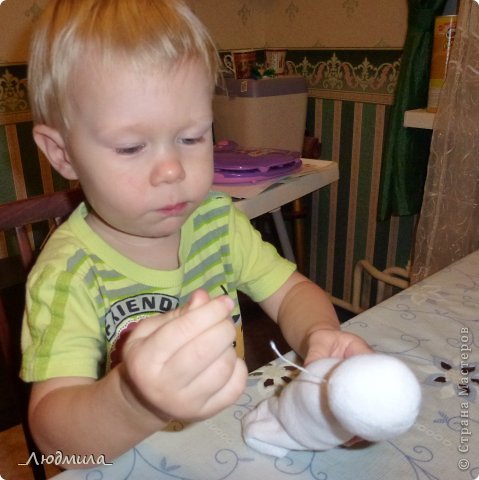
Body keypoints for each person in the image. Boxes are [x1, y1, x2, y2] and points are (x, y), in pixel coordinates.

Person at [21, 0, 372, 467]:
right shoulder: (69, 274)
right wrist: (133, 399)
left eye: (191, 137)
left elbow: (290, 294)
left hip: (229, 448)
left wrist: (322, 335)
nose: (172, 169)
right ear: (62, 153)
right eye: (130, 147)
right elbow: (53, 439)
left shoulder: (216, 221)